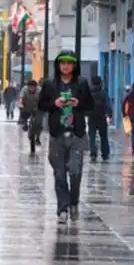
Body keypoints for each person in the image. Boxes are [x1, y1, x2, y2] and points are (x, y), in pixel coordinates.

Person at [39, 50, 95, 223]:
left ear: (74, 66)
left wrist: (78, 104)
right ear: (58, 65)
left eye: (69, 63)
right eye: (63, 63)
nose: (66, 66)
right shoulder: (50, 84)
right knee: (60, 174)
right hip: (57, 135)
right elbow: (42, 104)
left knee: (76, 171)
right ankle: (62, 208)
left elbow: (90, 105)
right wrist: (54, 104)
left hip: (76, 134)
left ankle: (73, 201)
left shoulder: (82, 83)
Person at [88, 75, 112, 162]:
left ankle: (93, 154)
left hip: (92, 118)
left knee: (92, 137)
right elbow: (108, 105)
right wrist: (109, 114)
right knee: (104, 137)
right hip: (102, 118)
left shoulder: (89, 92)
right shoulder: (103, 93)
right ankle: (105, 155)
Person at [20, 79, 44, 154]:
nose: (31, 89)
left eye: (33, 87)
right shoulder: (24, 89)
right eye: (30, 87)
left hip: (37, 107)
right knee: (23, 113)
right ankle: (25, 123)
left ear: (36, 87)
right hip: (27, 106)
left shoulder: (40, 90)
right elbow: (21, 98)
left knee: (39, 124)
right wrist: (20, 104)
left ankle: (38, 138)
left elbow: (43, 99)